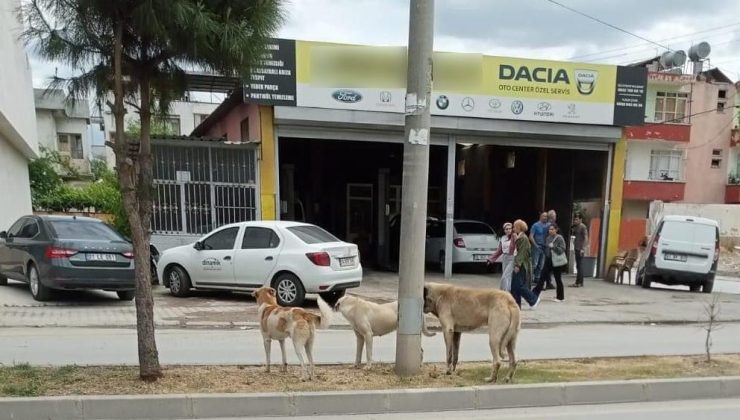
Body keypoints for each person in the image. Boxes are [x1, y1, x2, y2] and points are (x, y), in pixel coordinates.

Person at [510, 219, 540, 309]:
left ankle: (533, 299)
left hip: (522, 265)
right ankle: (516, 305)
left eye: (514, 226)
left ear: (519, 227)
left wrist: (517, 265)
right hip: (520, 263)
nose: (513, 228)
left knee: (519, 285)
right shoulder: (520, 237)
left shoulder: (523, 238)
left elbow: (522, 253)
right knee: (515, 286)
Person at [534, 223, 566, 302]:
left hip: (556, 261)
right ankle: (534, 294)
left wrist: (554, 247)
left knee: (558, 278)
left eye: (552, 229)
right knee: (542, 277)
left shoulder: (559, 238)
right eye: (549, 229)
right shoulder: (548, 238)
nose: (550, 231)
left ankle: (560, 297)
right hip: (548, 260)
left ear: (556, 230)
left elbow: (562, 249)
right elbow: (547, 249)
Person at [487, 222, 516, 291]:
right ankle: (505, 292)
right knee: (506, 277)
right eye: (506, 229)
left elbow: (519, 247)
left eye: (510, 229)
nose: (508, 230)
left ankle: (505, 292)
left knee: (505, 276)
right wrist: (490, 259)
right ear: (504, 230)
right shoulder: (503, 238)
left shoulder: (514, 236)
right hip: (505, 258)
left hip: (512, 258)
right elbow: (499, 251)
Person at [529, 212, 551, 289]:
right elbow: (531, 236)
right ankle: (530, 279)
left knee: (541, 265)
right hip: (536, 246)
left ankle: (537, 279)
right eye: (544, 216)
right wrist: (535, 245)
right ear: (540, 217)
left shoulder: (548, 225)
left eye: (546, 216)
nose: (545, 217)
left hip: (544, 247)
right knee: (534, 264)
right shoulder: (535, 225)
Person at [570, 215, 589, 288]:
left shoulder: (582, 227)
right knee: (578, 265)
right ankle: (579, 282)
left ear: (580, 220)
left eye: (577, 220)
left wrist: (583, 248)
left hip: (580, 248)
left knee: (580, 265)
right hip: (577, 247)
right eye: (575, 219)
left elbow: (586, 238)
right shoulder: (576, 227)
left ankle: (579, 282)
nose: (575, 221)